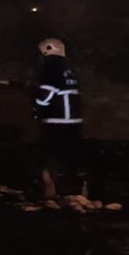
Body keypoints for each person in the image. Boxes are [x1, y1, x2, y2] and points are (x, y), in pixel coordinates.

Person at [33, 38, 84, 199]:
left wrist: (34, 96)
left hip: (57, 120)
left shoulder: (51, 68)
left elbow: (45, 96)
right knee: (70, 157)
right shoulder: (67, 69)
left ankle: (51, 191)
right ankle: (77, 191)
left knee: (50, 157)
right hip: (74, 121)